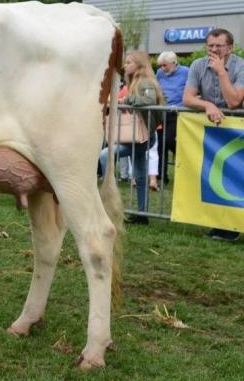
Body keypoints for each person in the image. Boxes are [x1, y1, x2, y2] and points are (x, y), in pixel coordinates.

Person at [183, 28, 244, 242]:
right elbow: (188, 98)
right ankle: (220, 224)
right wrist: (207, 104)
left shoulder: (240, 66)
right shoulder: (197, 65)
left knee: (236, 178)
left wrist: (221, 71)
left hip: (238, 130)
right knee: (215, 175)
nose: (214, 50)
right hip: (213, 131)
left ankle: (233, 225)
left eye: (219, 46)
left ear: (230, 47)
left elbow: (234, 102)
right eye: (210, 46)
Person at [99, 50, 166, 224]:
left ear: (139, 64)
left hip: (142, 136)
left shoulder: (144, 81)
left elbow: (149, 100)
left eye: (129, 62)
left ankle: (112, 202)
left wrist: (126, 100)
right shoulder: (136, 81)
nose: (125, 65)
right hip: (140, 135)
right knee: (140, 172)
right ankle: (141, 213)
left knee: (106, 155)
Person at [155, 51, 189, 185]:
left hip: (177, 112)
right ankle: (162, 176)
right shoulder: (159, 73)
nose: (162, 68)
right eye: (161, 66)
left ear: (174, 63)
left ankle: (183, 167)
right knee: (160, 145)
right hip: (161, 112)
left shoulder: (186, 71)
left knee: (170, 140)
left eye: (165, 65)